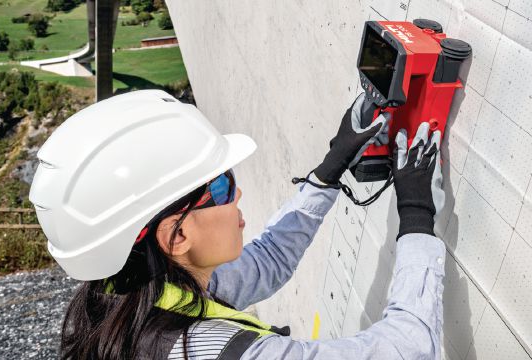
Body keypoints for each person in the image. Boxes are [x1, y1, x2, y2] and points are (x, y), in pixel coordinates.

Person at [29, 89, 446, 359]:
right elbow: (407, 349)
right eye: (224, 186)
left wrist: (328, 172)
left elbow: (265, 264)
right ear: (176, 235)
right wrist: (416, 213)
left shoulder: (132, 296)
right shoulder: (215, 354)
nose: (239, 195)